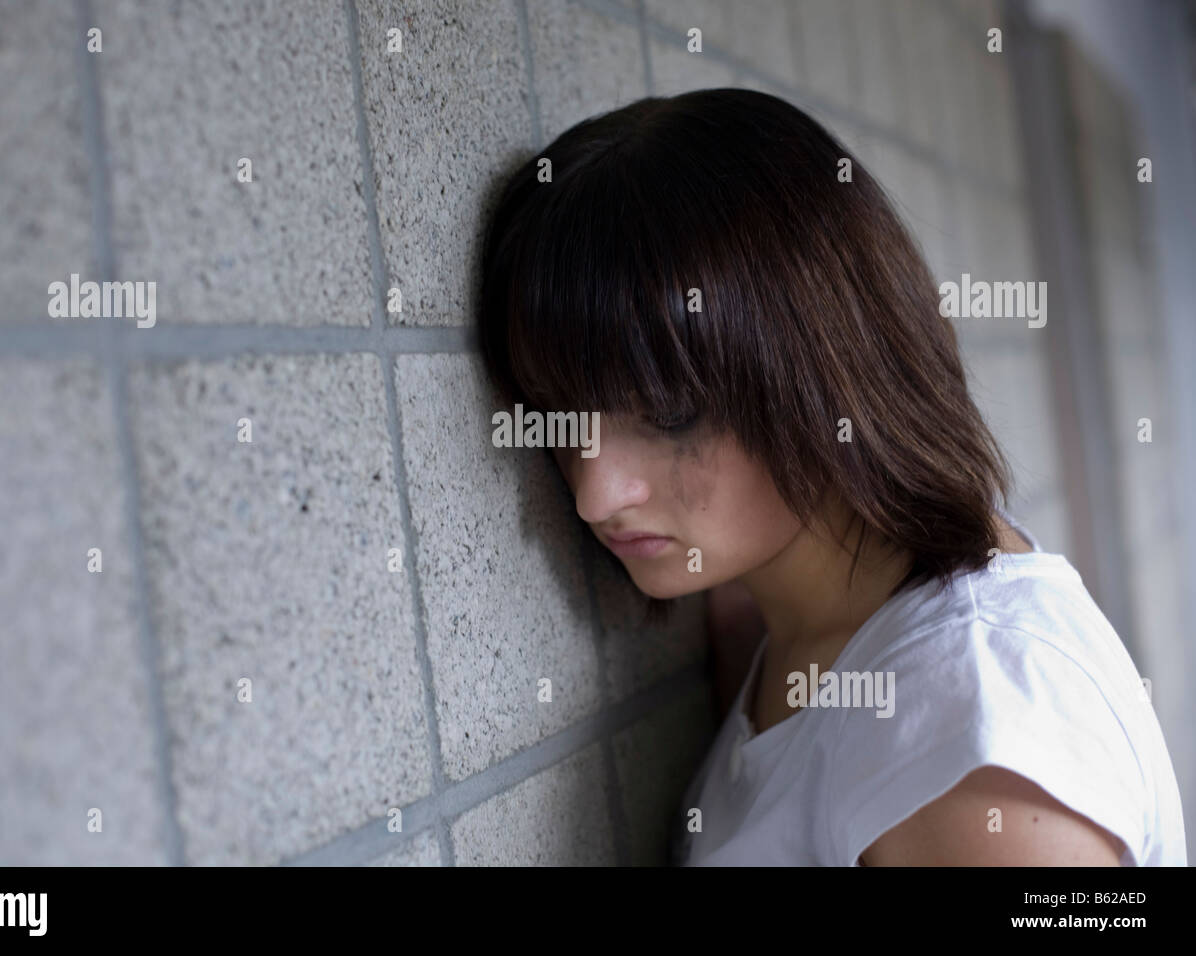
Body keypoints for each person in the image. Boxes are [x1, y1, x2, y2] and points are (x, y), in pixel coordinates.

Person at [475, 88, 1186, 866]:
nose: (594, 494)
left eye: (668, 416)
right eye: (561, 415)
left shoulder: (975, 740)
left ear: (826, 364)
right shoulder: (811, 626)